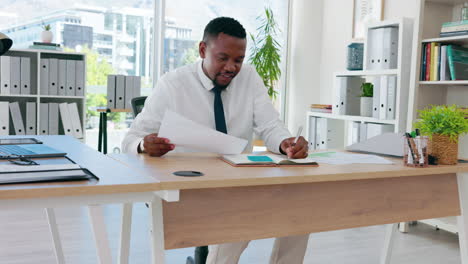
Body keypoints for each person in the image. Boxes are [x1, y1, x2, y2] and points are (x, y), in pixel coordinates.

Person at [122, 17, 309, 264]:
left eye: (239, 60)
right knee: (239, 212)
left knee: (303, 206)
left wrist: (285, 142)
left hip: (237, 181)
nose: (232, 67)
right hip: (190, 187)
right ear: (202, 50)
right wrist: (144, 144)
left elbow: (270, 125)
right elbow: (130, 140)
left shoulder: (250, 79)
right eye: (223, 58)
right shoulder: (173, 84)